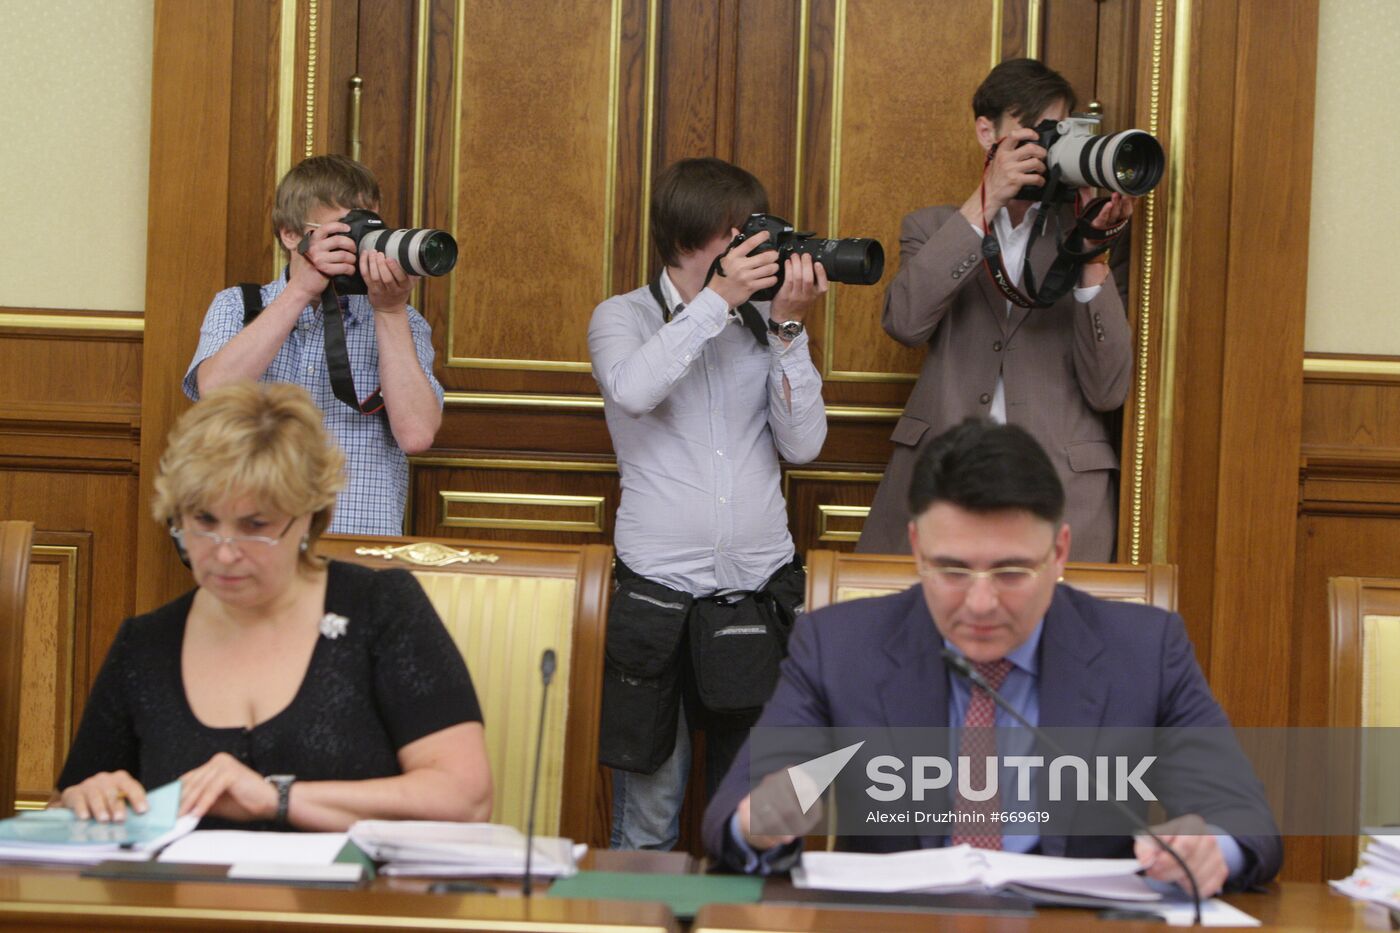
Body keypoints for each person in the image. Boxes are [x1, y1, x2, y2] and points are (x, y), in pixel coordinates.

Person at [705, 419, 1282, 895]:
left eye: (1010, 572)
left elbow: (1243, 817)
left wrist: (1211, 849)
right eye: (952, 570)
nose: (980, 605)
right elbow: (736, 811)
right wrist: (758, 823)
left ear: (1058, 551)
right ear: (917, 550)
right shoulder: (839, 645)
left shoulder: (1144, 649)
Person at [54, 382, 490, 830]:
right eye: (203, 520)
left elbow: (463, 798)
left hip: (352, 895)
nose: (224, 553)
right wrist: (86, 800)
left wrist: (277, 798)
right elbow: (66, 807)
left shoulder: (380, 610)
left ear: (308, 515)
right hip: (182, 897)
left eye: (255, 525)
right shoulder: (145, 644)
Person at [588, 157, 829, 851]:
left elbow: (805, 444)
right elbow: (634, 389)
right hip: (657, 598)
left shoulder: (763, 323)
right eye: (744, 229)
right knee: (648, 823)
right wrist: (715, 303)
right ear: (708, 235)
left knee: (754, 825)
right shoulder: (622, 316)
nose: (759, 243)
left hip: (757, 593)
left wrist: (786, 330)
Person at [858, 58, 1134, 562]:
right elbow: (905, 323)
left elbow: (1109, 388)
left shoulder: (1084, 234)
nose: (1047, 147)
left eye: (1059, 132)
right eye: (1035, 131)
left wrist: (1092, 253)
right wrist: (983, 205)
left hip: (1059, 489)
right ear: (987, 132)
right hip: (944, 479)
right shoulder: (932, 227)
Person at [184, 154, 443, 536]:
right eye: (344, 231)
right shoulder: (238, 306)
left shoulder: (401, 321)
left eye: (366, 229)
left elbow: (417, 434)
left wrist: (389, 312)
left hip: (359, 546)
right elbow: (216, 391)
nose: (357, 246)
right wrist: (301, 290)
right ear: (291, 234)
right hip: (252, 547)